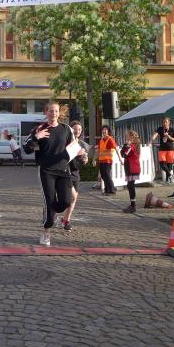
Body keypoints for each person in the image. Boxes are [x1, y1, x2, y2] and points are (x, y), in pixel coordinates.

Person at [23, 102, 83, 247]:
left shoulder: (66, 129)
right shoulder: (39, 129)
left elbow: (74, 148)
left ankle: (52, 213)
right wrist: (36, 137)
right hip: (46, 171)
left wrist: (81, 155)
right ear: (46, 112)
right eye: (51, 111)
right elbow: (26, 148)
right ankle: (46, 230)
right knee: (49, 202)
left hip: (63, 170)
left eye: (56, 111)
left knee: (67, 201)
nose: (53, 113)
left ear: (59, 113)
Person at [61, 121, 89, 230]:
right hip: (65, 171)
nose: (77, 131)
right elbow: (63, 157)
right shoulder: (66, 141)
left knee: (73, 199)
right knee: (72, 197)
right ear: (71, 130)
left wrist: (85, 159)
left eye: (79, 129)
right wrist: (77, 153)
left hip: (76, 173)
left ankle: (66, 220)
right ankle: (52, 213)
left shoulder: (81, 143)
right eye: (75, 129)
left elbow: (83, 158)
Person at [120, 130, 141, 213]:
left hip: (132, 168)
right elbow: (123, 154)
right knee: (130, 186)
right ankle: (132, 205)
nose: (126, 137)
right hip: (132, 168)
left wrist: (126, 146)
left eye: (127, 136)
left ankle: (133, 206)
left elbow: (124, 155)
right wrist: (126, 145)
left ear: (131, 137)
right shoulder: (134, 145)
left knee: (130, 186)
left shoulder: (132, 146)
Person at [152, 117, 174, 183]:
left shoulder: (172, 129)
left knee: (169, 166)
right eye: (163, 122)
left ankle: (167, 180)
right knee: (162, 164)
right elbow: (155, 135)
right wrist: (152, 139)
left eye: (166, 122)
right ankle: (171, 175)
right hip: (162, 149)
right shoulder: (160, 129)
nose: (164, 123)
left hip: (170, 149)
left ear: (169, 122)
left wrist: (169, 137)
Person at [94, 126, 118, 194]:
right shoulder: (101, 140)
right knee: (103, 176)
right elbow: (98, 150)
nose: (104, 131)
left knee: (107, 175)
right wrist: (94, 159)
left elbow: (116, 148)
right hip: (101, 160)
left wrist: (120, 158)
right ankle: (107, 190)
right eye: (103, 130)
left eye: (105, 130)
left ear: (108, 131)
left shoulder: (110, 139)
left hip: (107, 161)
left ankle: (112, 190)